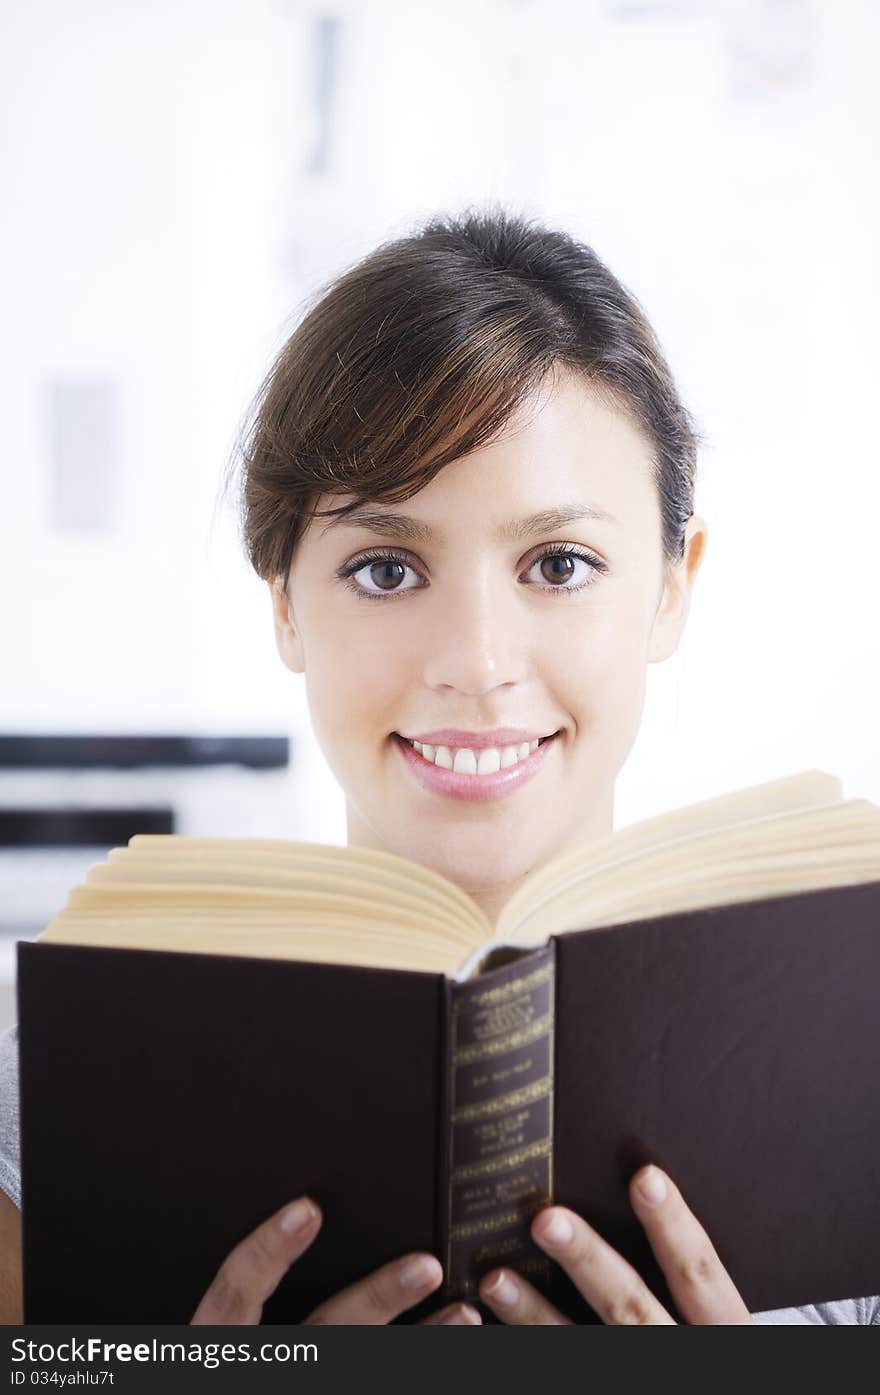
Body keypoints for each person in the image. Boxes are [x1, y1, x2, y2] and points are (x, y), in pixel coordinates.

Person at [0, 208, 876, 1325]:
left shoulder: (853, 1079)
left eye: (559, 563)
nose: (474, 663)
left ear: (672, 583)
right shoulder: (58, 1099)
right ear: (283, 604)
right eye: (383, 569)